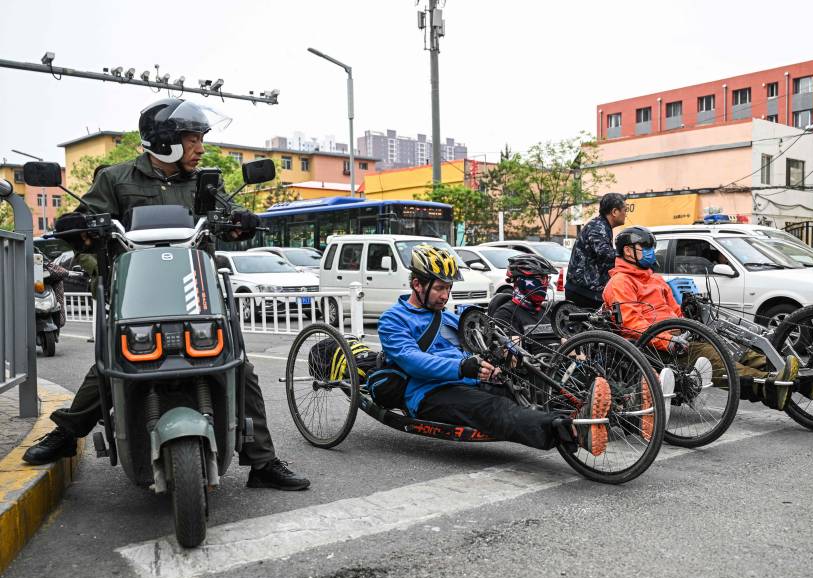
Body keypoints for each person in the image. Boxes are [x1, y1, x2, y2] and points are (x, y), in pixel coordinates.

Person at [22, 99, 309, 491]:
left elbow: (229, 216)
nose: (200, 148)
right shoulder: (117, 178)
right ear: (166, 141)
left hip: (195, 289)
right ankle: (67, 435)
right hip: (136, 292)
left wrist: (243, 221)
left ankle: (262, 462)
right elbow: (84, 219)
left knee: (237, 364)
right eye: (193, 140)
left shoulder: (205, 183)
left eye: (200, 140)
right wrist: (76, 225)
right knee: (113, 361)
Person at [377, 244, 612, 455]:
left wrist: (493, 360)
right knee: (495, 408)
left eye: (448, 288)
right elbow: (412, 360)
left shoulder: (448, 317)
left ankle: (600, 412)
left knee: (525, 392)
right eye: (439, 288)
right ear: (417, 284)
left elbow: (476, 345)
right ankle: (570, 432)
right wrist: (462, 367)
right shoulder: (394, 320)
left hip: (468, 381)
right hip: (429, 391)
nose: (445, 295)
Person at [603, 226, 802, 411]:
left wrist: (692, 329)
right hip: (656, 344)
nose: (651, 252)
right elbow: (631, 325)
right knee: (714, 356)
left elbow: (675, 311)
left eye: (651, 248)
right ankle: (768, 385)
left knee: (734, 347)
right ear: (628, 251)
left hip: (679, 333)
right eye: (645, 247)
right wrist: (668, 340)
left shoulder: (654, 278)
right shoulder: (619, 283)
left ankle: (801, 380)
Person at [565, 192, 629, 309]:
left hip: (590, 290)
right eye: (625, 210)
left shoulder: (602, 225)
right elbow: (605, 252)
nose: (626, 214)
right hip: (584, 292)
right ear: (615, 212)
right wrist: (630, 257)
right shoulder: (598, 227)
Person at [491, 253, 559, 340]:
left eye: (546, 278)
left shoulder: (547, 312)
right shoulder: (505, 315)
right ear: (520, 281)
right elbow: (509, 352)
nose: (545, 283)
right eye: (539, 278)